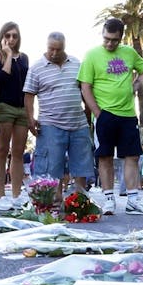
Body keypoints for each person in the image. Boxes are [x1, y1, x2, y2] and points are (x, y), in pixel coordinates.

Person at [79, 18, 143, 216]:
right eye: (106, 39)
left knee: (132, 156)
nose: (110, 43)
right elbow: (85, 87)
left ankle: (133, 200)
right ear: (102, 35)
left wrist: (138, 82)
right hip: (105, 115)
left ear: (121, 37)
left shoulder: (129, 52)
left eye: (114, 40)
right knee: (105, 157)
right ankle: (109, 199)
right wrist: (98, 113)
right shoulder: (92, 55)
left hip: (128, 115)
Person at [23, 31, 94, 203]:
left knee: (82, 165)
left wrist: (88, 114)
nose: (54, 53)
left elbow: (85, 91)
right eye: (51, 49)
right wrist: (30, 119)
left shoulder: (77, 63)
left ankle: (80, 201)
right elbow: (29, 95)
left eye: (58, 49)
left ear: (65, 47)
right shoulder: (36, 68)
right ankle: (54, 200)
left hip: (78, 123)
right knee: (51, 166)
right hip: (50, 124)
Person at [0, 22, 30, 211]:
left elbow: (28, 84)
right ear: (2, 37)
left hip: (22, 108)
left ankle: (16, 195)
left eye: (14, 36)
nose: (11, 39)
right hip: (4, 106)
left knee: (18, 152)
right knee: (1, 150)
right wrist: (7, 54)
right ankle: (1, 196)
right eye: (7, 35)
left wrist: (30, 111)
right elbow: (2, 78)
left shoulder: (24, 57)